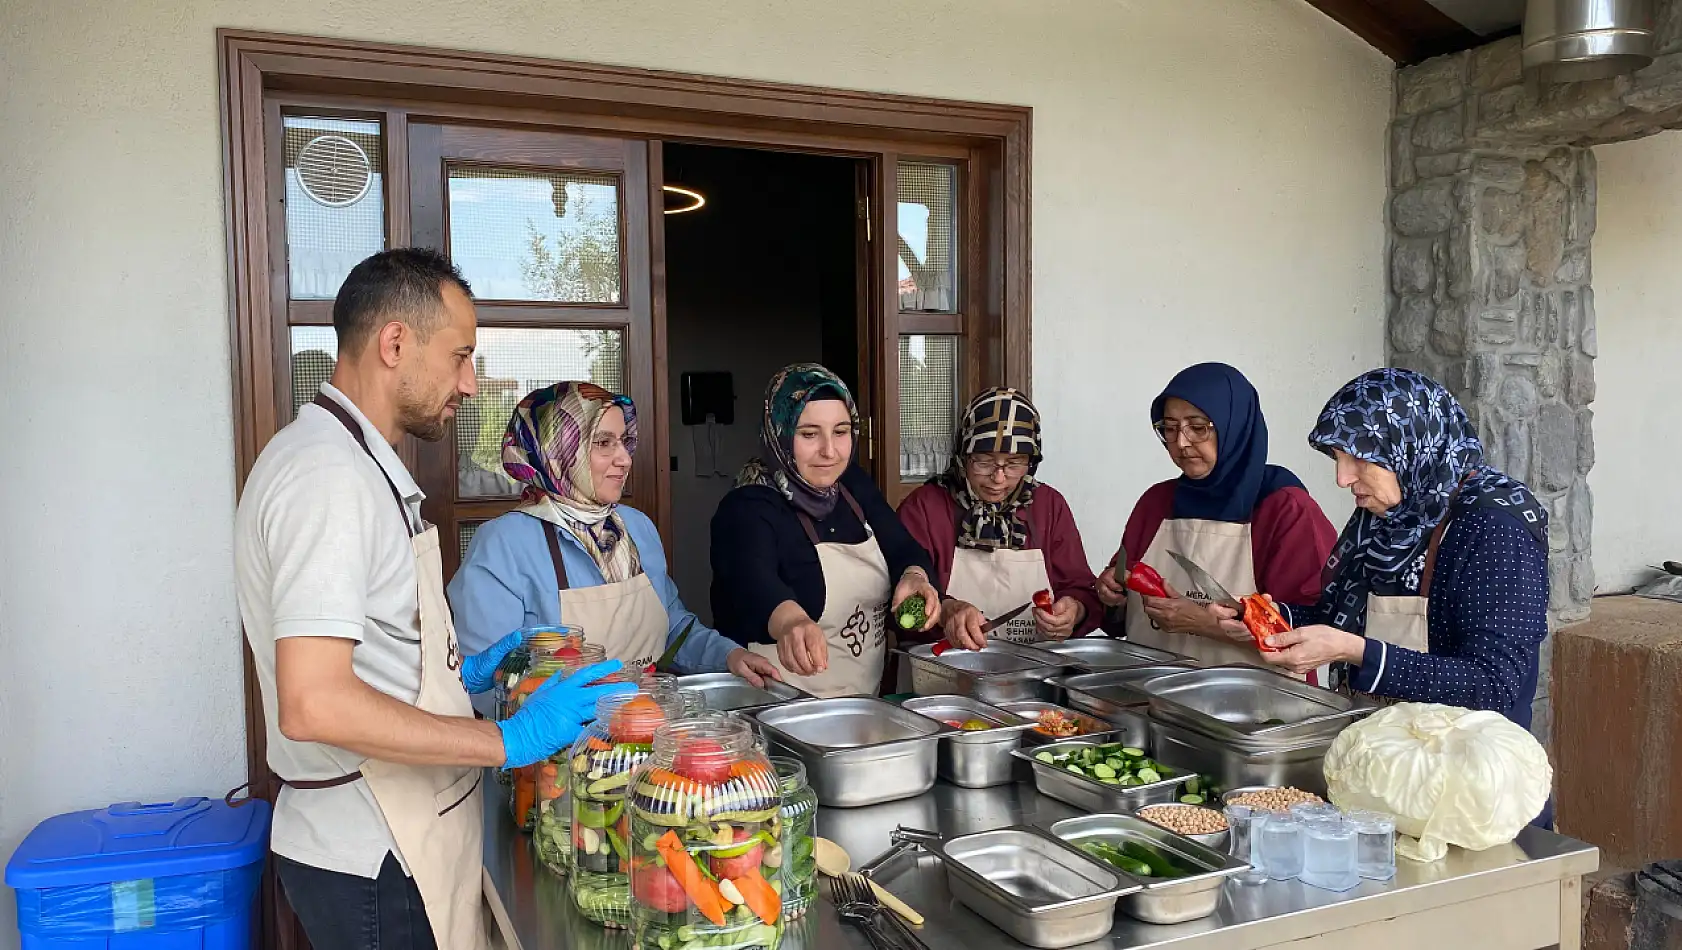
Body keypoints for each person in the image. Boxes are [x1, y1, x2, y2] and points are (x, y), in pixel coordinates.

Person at [234, 249, 634, 950]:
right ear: (395, 343)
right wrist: (508, 738)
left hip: (400, 836)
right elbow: (313, 702)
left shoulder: (352, 464)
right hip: (375, 852)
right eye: (460, 356)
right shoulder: (326, 479)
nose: (471, 383)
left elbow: (366, 654)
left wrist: (459, 672)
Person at [1213, 368, 1551, 731]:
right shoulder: (1387, 515)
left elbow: (1493, 684)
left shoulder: (1493, 527)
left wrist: (1354, 652)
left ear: (1410, 444)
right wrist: (1270, 619)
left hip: (1470, 773)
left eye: (1361, 459)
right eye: (1338, 458)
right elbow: (1343, 619)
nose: (1342, 479)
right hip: (1384, 755)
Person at [448, 381, 779, 686]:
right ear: (557, 452)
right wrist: (596, 694)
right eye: (604, 443)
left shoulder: (637, 527)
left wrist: (729, 655)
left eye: (626, 442)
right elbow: (484, 679)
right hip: (562, 747)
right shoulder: (504, 544)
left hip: (648, 729)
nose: (625, 459)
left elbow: (673, 628)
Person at [709, 363, 941, 697]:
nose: (829, 451)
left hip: (860, 708)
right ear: (780, 433)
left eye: (841, 431)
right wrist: (789, 620)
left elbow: (903, 548)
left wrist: (915, 576)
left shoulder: (852, 487)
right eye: (809, 434)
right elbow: (751, 580)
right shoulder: (747, 506)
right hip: (772, 714)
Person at [1096, 362, 1337, 672]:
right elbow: (1118, 619)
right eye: (1169, 429)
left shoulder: (1283, 508)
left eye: (1198, 427)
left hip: (1262, 709)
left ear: (1234, 425)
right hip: (1152, 700)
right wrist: (1112, 598)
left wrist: (1205, 624)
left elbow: (1315, 632)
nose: (1181, 443)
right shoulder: (1156, 503)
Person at [897, 387, 1100, 647]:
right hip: (940, 670)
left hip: (1031, 672)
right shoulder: (924, 508)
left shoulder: (1049, 506)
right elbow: (898, 602)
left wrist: (1074, 610)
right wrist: (945, 612)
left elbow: (1082, 589)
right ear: (963, 455)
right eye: (983, 462)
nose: (998, 478)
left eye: (1014, 463)